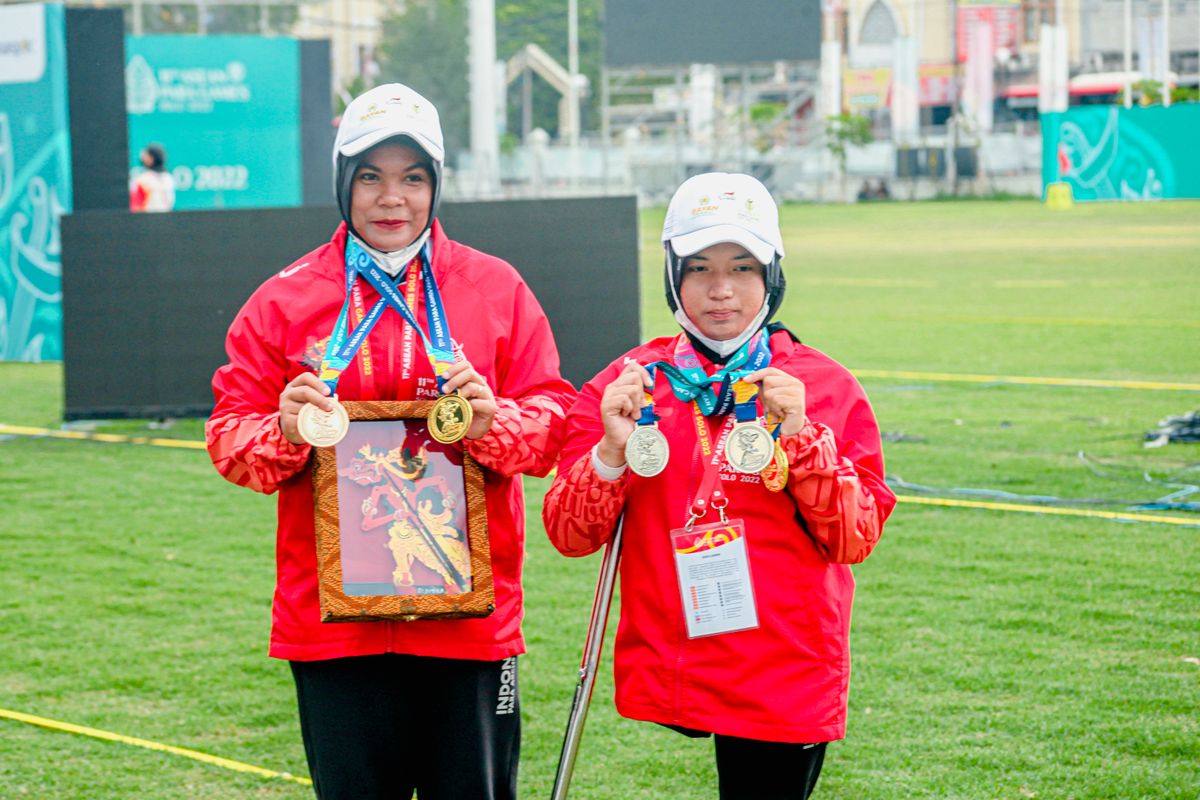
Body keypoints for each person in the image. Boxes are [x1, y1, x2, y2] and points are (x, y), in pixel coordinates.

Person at [206, 83, 575, 800]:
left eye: (413, 177)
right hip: (333, 625)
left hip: (471, 623)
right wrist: (283, 430)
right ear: (344, 181)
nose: (391, 198)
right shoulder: (283, 299)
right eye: (370, 176)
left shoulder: (496, 288)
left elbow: (555, 420)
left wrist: (495, 422)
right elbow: (227, 435)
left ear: (437, 183)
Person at [543, 172, 896, 800]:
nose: (721, 290)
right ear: (673, 276)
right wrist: (609, 452)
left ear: (772, 277)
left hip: (783, 661)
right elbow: (570, 535)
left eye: (743, 267)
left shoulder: (823, 386)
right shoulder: (627, 384)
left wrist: (802, 437)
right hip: (674, 652)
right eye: (699, 267)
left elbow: (854, 536)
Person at [129, 143, 175, 212]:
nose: (143, 158)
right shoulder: (168, 177)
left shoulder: (143, 180)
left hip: (147, 220)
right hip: (165, 220)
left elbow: (136, 206)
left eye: (146, 155)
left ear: (151, 158)